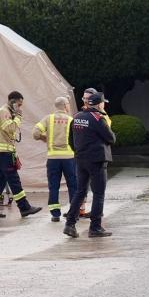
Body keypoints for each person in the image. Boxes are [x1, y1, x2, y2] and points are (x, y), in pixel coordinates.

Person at [64, 88, 116, 238]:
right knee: (99, 194)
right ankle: (95, 227)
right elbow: (111, 138)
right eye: (103, 104)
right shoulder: (98, 118)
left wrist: (79, 152)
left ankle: (70, 224)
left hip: (80, 159)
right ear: (99, 105)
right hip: (97, 160)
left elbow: (70, 139)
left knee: (80, 192)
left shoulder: (77, 117)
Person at [0, 91, 39, 219]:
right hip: (4, 152)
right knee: (14, 179)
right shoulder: (4, 112)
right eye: (19, 104)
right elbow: (10, 129)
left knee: (0, 181)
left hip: (3, 151)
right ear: (13, 102)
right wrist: (18, 116)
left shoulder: (7, 112)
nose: (20, 107)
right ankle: (24, 207)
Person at [34, 96, 77, 223]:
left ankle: (55, 214)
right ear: (65, 106)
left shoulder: (48, 119)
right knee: (73, 185)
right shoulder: (71, 120)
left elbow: (35, 133)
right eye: (68, 104)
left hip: (53, 158)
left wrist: (44, 138)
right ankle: (73, 213)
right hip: (69, 158)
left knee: (53, 186)